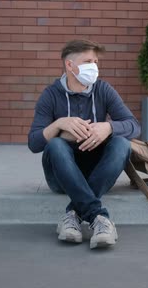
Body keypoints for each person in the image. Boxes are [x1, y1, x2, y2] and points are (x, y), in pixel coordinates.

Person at [28, 39, 141, 249]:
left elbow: (134, 126)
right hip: (61, 176)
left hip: (98, 171)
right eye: (88, 61)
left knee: (122, 144)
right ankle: (100, 217)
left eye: (96, 61)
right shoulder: (51, 95)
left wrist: (109, 128)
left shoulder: (103, 90)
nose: (94, 67)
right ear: (70, 65)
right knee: (55, 145)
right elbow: (34, 143)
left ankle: (73, 216)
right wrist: (59, 124)